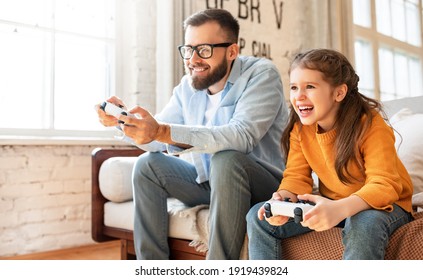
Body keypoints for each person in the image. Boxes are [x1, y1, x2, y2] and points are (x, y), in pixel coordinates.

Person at [95, 8, 288, 259]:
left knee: (226, 158)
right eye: (188, 49)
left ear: (232, 51)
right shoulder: (188, 86)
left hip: (262, 185)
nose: (193, 59)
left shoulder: (261, 74)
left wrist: (162, 132)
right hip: (209, 182)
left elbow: (242, 136)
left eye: (204, 50)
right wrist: (125, 122)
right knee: (147, 165)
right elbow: (157, 136)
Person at [246, 48, 414, 260]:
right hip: (333, 204)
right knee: (257, 216)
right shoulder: (300, 129)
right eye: (294, 87)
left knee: (362, 221)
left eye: (310, 87)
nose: (299, 96)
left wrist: (340, 209)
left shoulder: (371, 124)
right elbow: (296, 177)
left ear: (339, 93)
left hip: (385, 206)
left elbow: (385, 185)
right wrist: (282, 200)